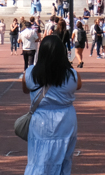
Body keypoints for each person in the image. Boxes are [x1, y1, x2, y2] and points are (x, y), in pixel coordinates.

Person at [19, 35, 82, 175]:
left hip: (41, 119)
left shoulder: (30, 73)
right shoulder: (71, 75)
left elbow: (25, 89)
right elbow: (78, 86)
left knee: (38, 157)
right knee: (64, 157)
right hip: (66, 118)